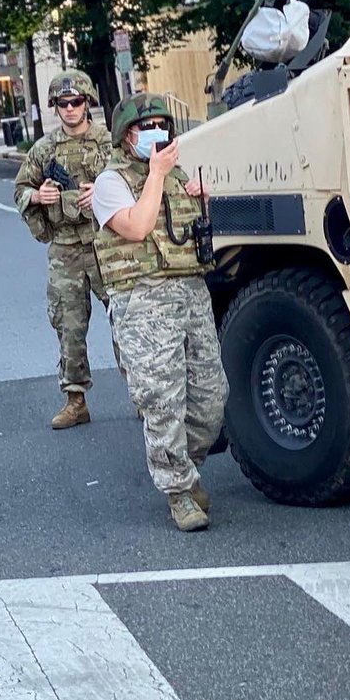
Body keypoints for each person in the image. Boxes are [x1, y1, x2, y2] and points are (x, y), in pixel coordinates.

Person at [91, 93, 228, 532]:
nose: (156, 133)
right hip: (143, 301)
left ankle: (184, 468)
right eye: (144, 127)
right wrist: (156, 175)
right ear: (125, 135)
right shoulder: (111, 181)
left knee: (210, 400)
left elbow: (195, 235)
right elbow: (137, 226)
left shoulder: (175, 174)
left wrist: (198, 199)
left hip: (190, 292)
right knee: (162, 399)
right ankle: (178, 491)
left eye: (161, 125)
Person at [13, 70, 116, 429]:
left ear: (88, 103)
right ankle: (75, 400)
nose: (70, 109)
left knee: (125, 319)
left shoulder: (110, 144)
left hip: (107, 243)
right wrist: (37, 196)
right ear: (55, 108)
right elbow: (20, 189)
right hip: (65, 247)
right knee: (68, 325)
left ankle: (143, 395)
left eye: (76, 102)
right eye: (62, 103)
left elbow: (138, 183)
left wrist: (101, 194)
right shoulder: (44, 149)